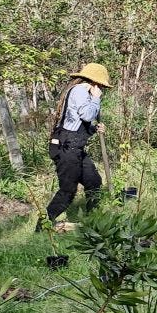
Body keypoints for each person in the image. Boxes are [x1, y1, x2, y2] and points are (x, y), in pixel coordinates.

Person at [41, 63, 112, 229]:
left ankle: (92, 222)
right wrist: (96, 98)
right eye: (102, 85)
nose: (102, 88)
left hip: (74, 147)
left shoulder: (83, 91)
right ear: (96, 82)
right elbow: (87, 115)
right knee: (67, 190)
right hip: (66, 148)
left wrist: (95, 128)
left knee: (93, 181)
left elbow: (77, 122)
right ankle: (42, 226)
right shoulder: (80, 90)